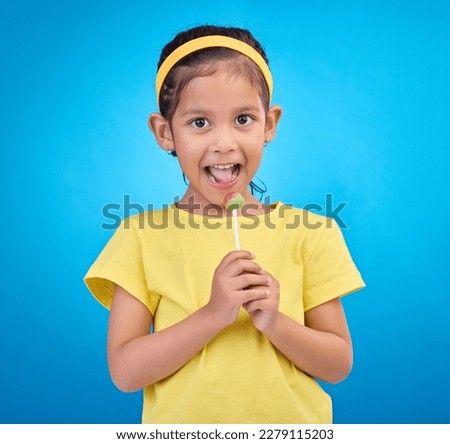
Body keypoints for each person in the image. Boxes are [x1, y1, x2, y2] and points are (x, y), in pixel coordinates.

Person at [84, 24, 365, 424]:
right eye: (200, 123)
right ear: (165, 133)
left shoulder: (312, 232)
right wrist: (214, 314)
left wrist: (274, 320)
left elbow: (337, 366)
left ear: (269, 124)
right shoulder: (138, 237)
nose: (223, 142)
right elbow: (126, 373)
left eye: (243, 119)